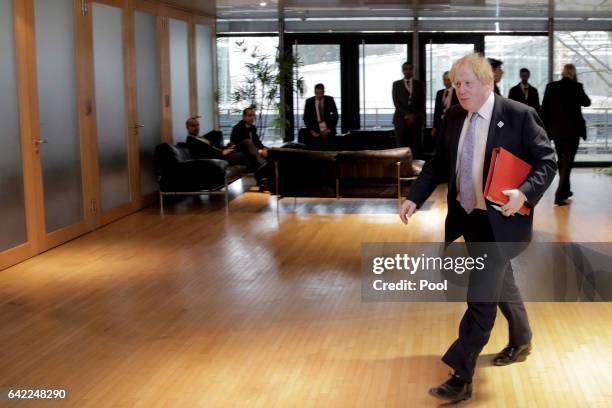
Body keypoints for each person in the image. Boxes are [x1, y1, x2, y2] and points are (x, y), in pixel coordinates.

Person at [399, 53, 556, 403]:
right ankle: (522, 339)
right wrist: (415, 197)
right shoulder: (455, 116)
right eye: (457, 84)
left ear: (488, 83)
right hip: (471, 218)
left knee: (480, 294)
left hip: (504, 222)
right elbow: (438, 164)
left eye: (468, 83)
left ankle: (461, 372)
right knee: (502, 284)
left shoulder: (519, 115)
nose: (461, 90)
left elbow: (547, 162)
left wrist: (524, 193)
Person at [541, 63, 591, 205]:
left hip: (556, 131)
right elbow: (587, 102)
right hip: (573, 131)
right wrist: (577, 86)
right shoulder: (577, 86)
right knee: (567, 162)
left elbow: (544, 109)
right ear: (573, 73)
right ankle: (559, 194)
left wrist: (545, 130)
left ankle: (566, 190)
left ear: (562, 72)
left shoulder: (551, 86)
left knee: (563, 160)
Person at [230, 107, 269, 188]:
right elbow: (235, 144)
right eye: (249, 115)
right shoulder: (238, 127)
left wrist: (264, 148)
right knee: (247, 141)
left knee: (269, 151)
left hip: (251, 153)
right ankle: (264, 166)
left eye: (253, 115)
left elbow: (257, 142)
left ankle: (265, 179)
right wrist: (259, 151)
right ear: (244, 117)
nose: (252, 118)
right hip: (239, 152)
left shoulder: (253, 128)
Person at [392, 62, 425, 157]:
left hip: (416, 120)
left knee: (416, 146)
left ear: (413, 70)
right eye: (405, 69)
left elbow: (422, 103)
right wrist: (406, 115)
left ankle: (417, 169)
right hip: (400, 120)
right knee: (401, 146)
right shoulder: (396, 84)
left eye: (410, 69)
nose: (407, 71)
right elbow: (396, 102)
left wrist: (414, 115)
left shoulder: (419, 84)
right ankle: (401, 168)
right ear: (402, 71)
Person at [432, 71, 459, 138]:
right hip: (440, 123)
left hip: (452, 122)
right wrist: (434, 126)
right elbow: (436, 110)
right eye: (444, 80)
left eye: (448, 80)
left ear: (452, 80)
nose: (446, 82)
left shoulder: (457, 93)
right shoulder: (439, 93)